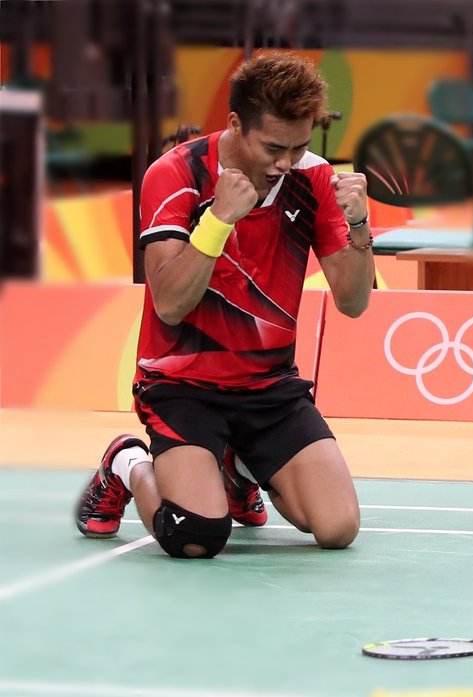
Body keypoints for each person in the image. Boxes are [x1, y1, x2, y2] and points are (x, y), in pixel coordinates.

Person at [74, 53, 376, 559]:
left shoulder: (315, 177)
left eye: (300, 146)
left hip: (269, 387)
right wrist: (218, 219)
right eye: (274, 147)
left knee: (336, 529)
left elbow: (353, 303)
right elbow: (170, 304)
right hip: (181, 385)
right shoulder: (176, 174)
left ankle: (235, 469)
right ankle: (126, 463)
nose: (286, 162)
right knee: (194, 536)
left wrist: (362, 227)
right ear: (236, 124)